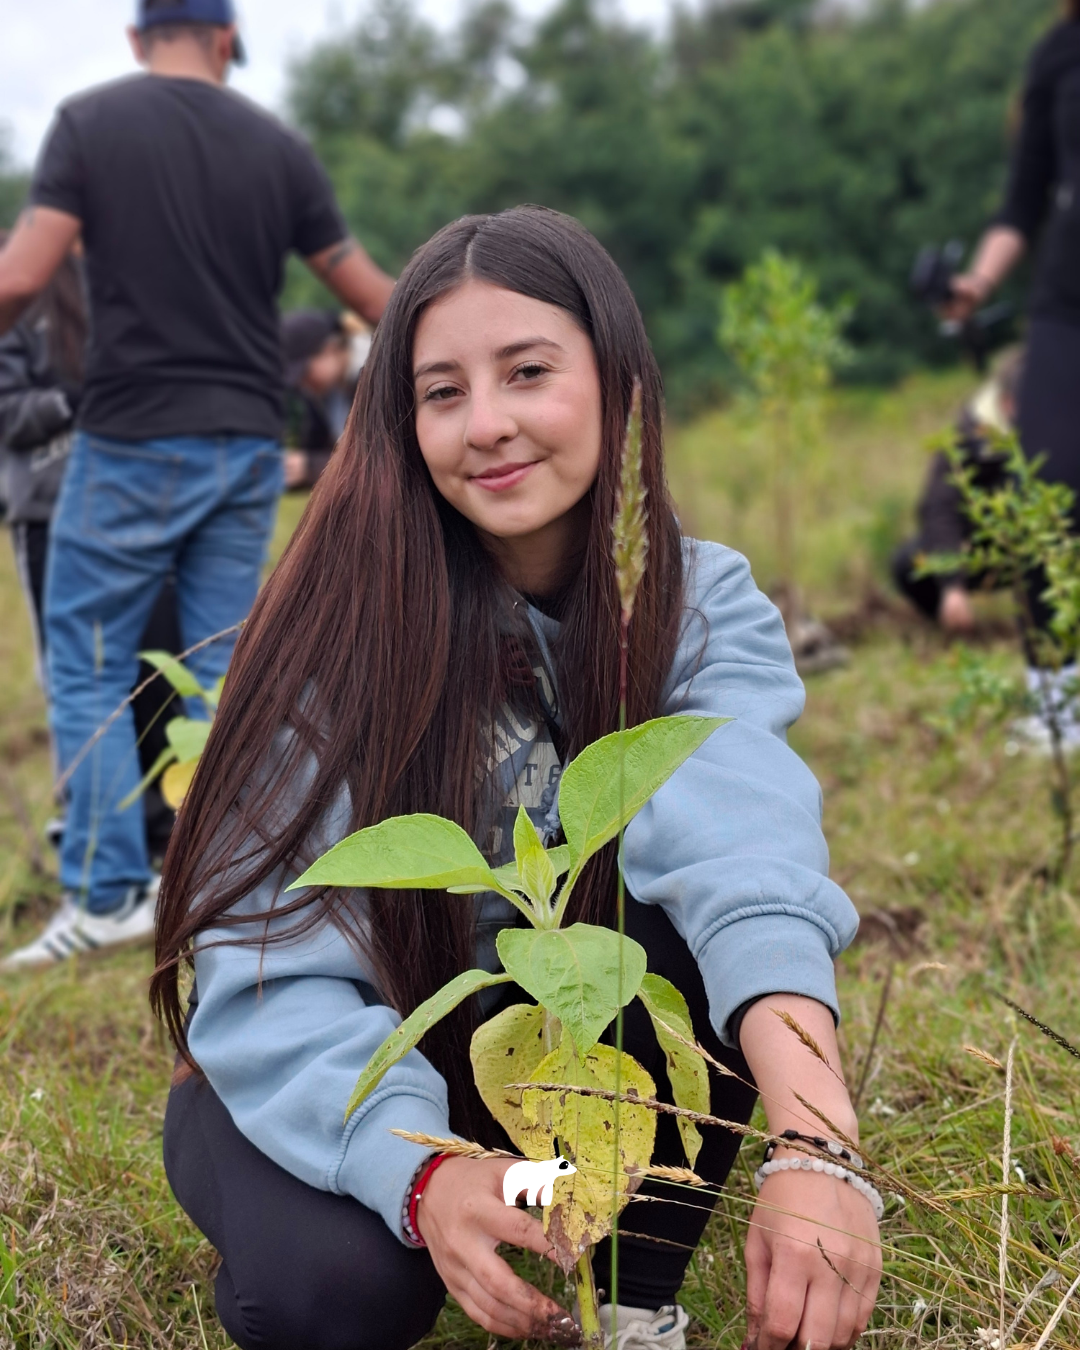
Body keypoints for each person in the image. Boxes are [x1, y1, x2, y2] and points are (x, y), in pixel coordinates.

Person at [153, 208, 881, 1350]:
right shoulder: (331, 633)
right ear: (402, 423)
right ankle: (415, 1213)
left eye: (528, 372)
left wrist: (819, 1147)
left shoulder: (699, 605)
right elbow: (267, 959)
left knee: (684, 930)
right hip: (340, 1064)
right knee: (333, 1293)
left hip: (558, 1079)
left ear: (617, 382)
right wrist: (428, 1173)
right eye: (442, 392)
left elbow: (747, 864)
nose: (486, 424)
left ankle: (620, 1284)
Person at [0, 0, 394, 969]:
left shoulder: (90, 125)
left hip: (132, 435)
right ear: (225, 42)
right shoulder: (279, 148)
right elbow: (374, 294)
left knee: (89, 662)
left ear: (140, 39)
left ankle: (107, 895)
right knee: (219, 669)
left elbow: (19, 279)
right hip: (247, 440)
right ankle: (228, 882)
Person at [0, 237, 182, 867]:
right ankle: (98, 829)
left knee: (160, 660)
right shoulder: (18, 286)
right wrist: (74, 401)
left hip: (137, 507)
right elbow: (7, 410)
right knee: (79, 676)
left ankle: (167, 827)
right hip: (51, 512)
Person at [946, 1, 1080, 720]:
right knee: (1047, 484)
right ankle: (1057, 699)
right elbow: (1023, 200)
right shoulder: (1060, 51)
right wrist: (977, 283)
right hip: (1066, 303)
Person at [892, 346, 1023, 631]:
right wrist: (952, 584)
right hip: (986, 545)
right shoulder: (970, 432)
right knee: (909, 565)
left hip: (1049, 541)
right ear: (1006, 401)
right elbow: (940, 508)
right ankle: (952, 623)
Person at [280, 308, 355, 491]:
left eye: (304, 372)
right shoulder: (322, 395)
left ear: (330, 349)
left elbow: (380, 459)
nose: (302, 384)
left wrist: (310, 467)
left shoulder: (377, 379)